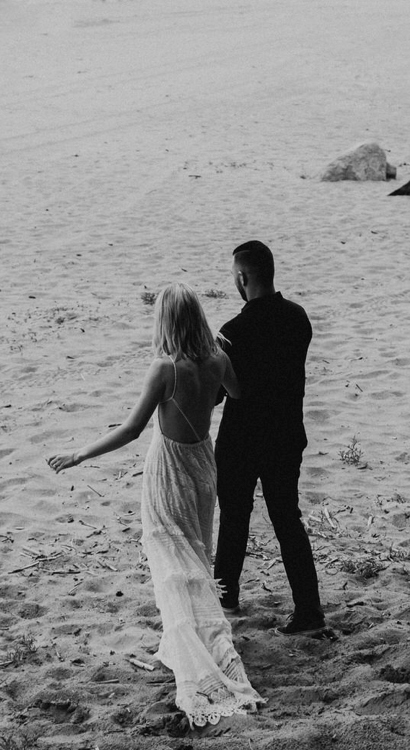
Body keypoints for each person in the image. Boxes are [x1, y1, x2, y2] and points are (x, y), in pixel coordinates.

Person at [47, 284, 259, 727]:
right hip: (204, 463)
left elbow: (131, 429)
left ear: (166, 321)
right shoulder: (218, 358)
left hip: (171, 469)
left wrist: (80, 454)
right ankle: (190, 637)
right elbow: (236, 395)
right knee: (195, 552)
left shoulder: (165, 368)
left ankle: (192, 648)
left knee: (169, 552)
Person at [214, 238, 327, 635]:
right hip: (285, 435)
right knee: (287, 519)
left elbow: (217, 393)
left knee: (234, 519)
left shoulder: (233, 332)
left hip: (241, 440)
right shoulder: (298, 318)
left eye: (234, 276)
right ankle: (309, 609)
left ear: (242, 278)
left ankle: (225, 597)